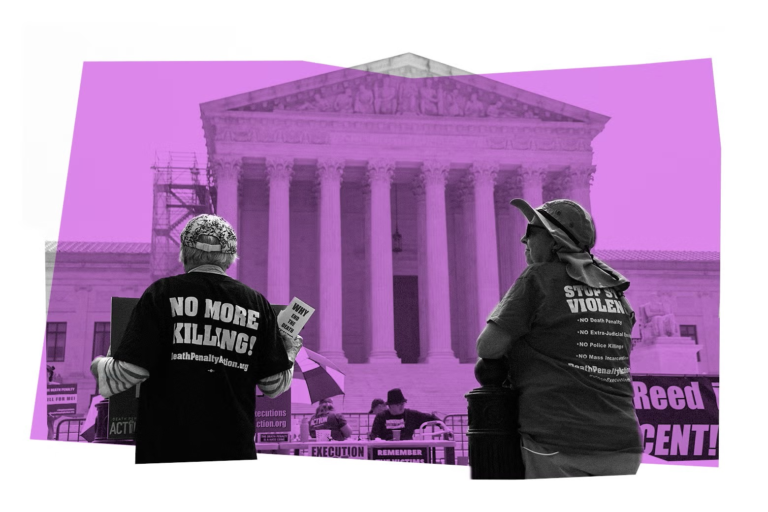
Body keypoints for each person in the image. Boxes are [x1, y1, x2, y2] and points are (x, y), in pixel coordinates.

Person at [90, 214, 303, 464]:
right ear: (230, 257)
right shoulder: (257, 304)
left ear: (185, 253)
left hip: (167, 448)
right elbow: (274, 387)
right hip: (233, 449)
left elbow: (127, 374)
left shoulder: (161, 294)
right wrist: (290, 352)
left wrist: (100, 364)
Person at [476, 198, 643, 479]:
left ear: (555, 241)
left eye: (531, 232)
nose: (522, 239)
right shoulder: (615, 290)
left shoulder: (539, 278)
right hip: (624, 444)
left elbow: (488, 346)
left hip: (559, 439)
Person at [369, 388, 439, 441]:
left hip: (408, 454)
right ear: (390, 406)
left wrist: (443, 425)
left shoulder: (411, 415)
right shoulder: (381, 417)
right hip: (386, 453)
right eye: (398, 404)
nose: (401, 406)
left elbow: (430, 418)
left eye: (403, 404)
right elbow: (374, 435)